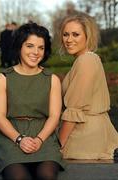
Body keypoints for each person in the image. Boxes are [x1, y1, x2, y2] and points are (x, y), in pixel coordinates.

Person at [0, 22, 64, 180]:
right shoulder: (3, 79)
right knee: (18, 177)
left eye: (41, 47)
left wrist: (39, 139)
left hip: (44, 137)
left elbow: (54, 116)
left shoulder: (52, 80)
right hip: (11, 137)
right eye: (30, 46)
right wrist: (19, 139)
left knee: (47, 175)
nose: (36, 52)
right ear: (19, 47)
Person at [59, 11, 118, 160]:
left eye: (75, 34)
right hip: (93, 132)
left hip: (85, 137)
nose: (69, 39)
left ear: (87, 35)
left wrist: (58, 145)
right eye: (66, 34)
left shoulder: (86, 61)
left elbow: (74, 109)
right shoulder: (86, 60)